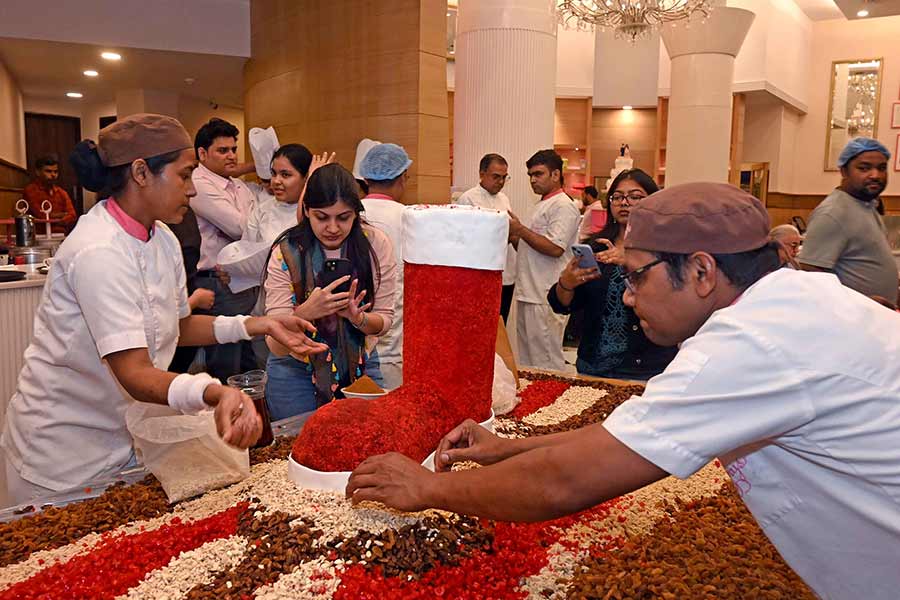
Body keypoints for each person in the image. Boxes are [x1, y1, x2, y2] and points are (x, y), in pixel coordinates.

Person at [347, 182, 900, 600]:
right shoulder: (795, 300)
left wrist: (426, 490)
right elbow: (624, 435)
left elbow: (565, 483)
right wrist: (506, 447)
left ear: (702, 271)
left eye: (636, 276)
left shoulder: (752, 344)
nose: (628, 297)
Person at [1, 114, 326, 504]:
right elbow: (135, 374)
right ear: (141, 172)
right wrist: (213, 392)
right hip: (64, 450)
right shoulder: (98, 250)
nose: (191, 191)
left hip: (123, 439)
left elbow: (179, 326)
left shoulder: (163, 239)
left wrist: (259, 324)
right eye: (184, 175)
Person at [263, 163, 397, 419]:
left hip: (361, 365)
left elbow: (384, 321)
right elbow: (275, 345)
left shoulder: (375, 244)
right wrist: (306, 312)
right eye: (322, 217)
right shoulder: (287, 252)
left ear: (356, 213)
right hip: (294, 370)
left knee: (366, 441)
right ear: (306, 211)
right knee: (298, 449)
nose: (333, 228)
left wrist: (359, 319)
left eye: (343, 217)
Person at [549, 169, 677, 380]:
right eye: (617, 197)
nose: (624, 202)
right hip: (594, 365)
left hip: (649, 369)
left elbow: (674, 301)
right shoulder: (596, 247)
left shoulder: (668, 250)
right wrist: (566, 283)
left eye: (635, 196)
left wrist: (632, 261)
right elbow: (563, 305)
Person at [191, 118, 259, 379]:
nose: (231, 156)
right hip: (215, 283)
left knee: (248, 361)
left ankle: (250, 417)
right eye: (223, 150)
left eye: (233, 149)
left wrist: (245, 230)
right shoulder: (199, 183)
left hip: (241, 279)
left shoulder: (237, 184)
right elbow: (241, 227)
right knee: (225, 363)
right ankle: (224, 416)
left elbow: (256, 226)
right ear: (202, 154)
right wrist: (244, 230)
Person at [799, 137, 898, 307]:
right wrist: (856, 305)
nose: (875, 175)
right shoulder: (832, 213)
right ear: (844, 171)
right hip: (851, 320)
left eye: (881, 168)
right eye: (864, 168)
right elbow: (812, 276)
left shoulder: (866, 205)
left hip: (874, 317)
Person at [509, 149, 580, 371]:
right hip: (529, 292)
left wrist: (520, 229)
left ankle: (555, 404)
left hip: (546, 294)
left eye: (538, 174)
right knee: (529, 364)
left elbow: (555, 248)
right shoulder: (539, 206)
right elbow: (530, 249)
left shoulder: (563, 205)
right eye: (530, 175)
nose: (533, 180)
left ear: (556, 174)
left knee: (547, 363)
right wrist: (513, 237)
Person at [358, 142, 411, 390]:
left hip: (353, 341)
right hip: (393, 342)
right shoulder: (409, 217)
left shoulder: (350, 214)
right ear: (401, 178)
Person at [456, 153, 517, 323]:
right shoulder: (467, 198)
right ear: (482, 174)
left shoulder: (504, 199)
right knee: (479, 323)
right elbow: (464, 238)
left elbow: (511, 231)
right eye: (496, 177)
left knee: (500, 324)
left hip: (505, 272)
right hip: (479, 275)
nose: (501, 182)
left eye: (504, 177)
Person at [22, 154, 77, 233]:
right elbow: (42, 216)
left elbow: (72, 216)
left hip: (61, 235)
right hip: (38, 236)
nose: (53, 175)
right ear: (38, 172)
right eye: (48, 171)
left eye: (55, 172)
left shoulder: (62, 192)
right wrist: (63, 215)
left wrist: (53, 218)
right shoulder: (30, 190)